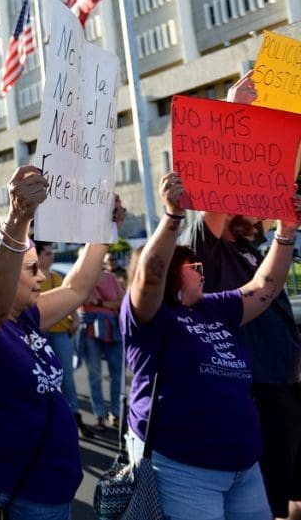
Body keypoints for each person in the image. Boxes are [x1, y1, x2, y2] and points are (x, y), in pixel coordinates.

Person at [0, 166, 124, 520]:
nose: (41, 275)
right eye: (30, 268)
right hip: (6, 491)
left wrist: (104, 228)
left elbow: (77, 288)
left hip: (50, 489)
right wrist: (18, 217)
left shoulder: (24, 316)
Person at [122, 171, 300, 520]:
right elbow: (151, 274)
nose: (202, 272)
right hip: (186, 471)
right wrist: (173, 215)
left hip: (243, 469)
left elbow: (264, 285)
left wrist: (287, 231)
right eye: (194, 267)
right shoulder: (150, 319)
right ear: (174, 273)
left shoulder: (214, 306)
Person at [188, 70, 301, 520]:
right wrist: (238, 118)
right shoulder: (208, 248)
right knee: (267, 496)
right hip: (252, 389)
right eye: (248, 188)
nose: (260, 193)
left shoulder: (259, 246)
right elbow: (218, 189)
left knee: (290, 488)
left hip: (286, 381)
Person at [38, 241, 92, 439]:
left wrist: (76, 320)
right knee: (43, 378)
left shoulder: (57, 277)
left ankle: (75, 417)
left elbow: (70, 301)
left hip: (60, 333)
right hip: (39, 335)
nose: (51, 257)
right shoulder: (30, 279)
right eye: (47, 253)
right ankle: (49, 421)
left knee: (66, 375)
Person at [80, 258, 125, 430]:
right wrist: (109, 305)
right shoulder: (83, 279)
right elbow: (82, 301)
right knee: (95, 374)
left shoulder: (111, 278)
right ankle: (99, 415)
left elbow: (122, 301)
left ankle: (115, 412)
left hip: (112, 328)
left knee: (117, 374)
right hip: (91, 329)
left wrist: (99, 303)